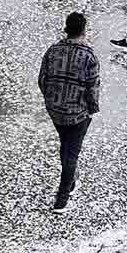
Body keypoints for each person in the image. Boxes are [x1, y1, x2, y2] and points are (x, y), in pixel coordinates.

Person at [38, 12, 99, 214]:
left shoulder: (52, 51)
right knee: (72, 153)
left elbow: (42, 79)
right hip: (78, 113)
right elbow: (93, 87)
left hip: (55, 111)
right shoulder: (88, 56)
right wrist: (92, 109)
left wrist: (51, 99)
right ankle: (62, 199)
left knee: (65, 144)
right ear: (83, 30)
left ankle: (71, 181)